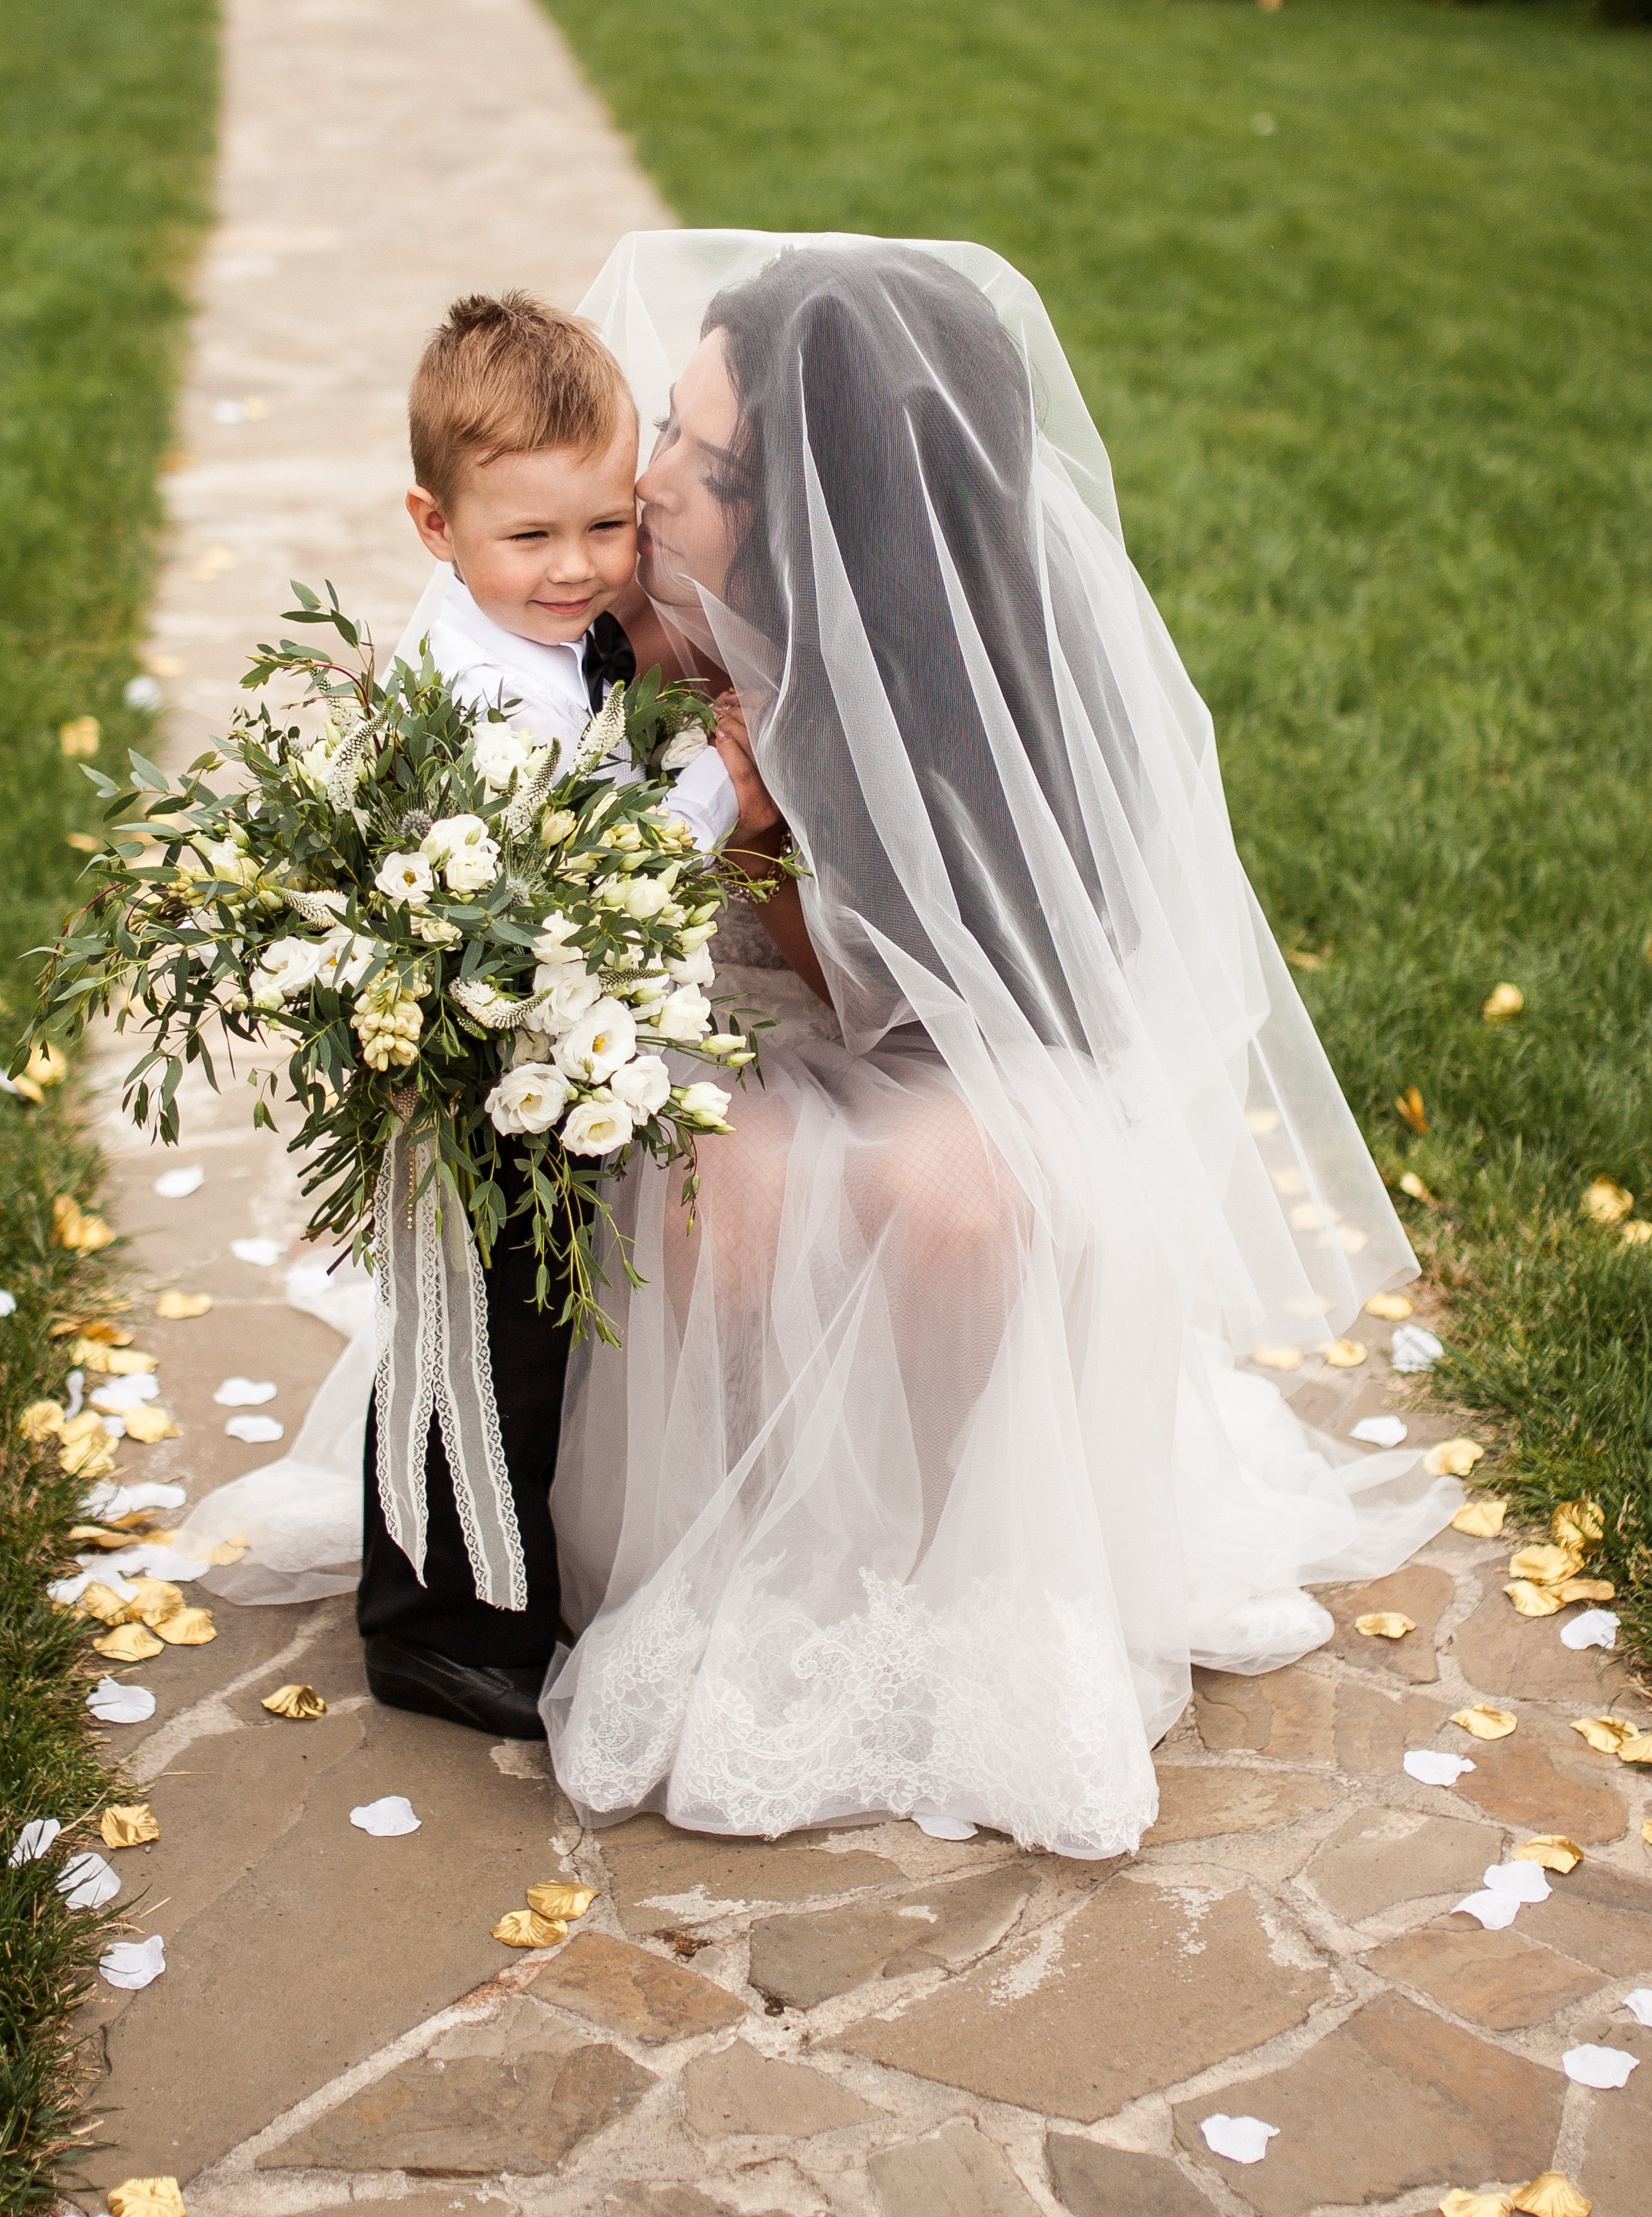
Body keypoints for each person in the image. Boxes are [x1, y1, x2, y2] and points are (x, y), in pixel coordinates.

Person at [539, 232, 1464, 1857]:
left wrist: (772, 831)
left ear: (827, 512)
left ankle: (960, 1595)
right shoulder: (611, 589)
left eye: (704, 452)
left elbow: (947, 1004)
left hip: (928, 1032)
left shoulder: (965, 665)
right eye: (667, 424)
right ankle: (740, 1569)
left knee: (961, 1191)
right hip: (696, 1014)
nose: (654, 472)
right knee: (727, 1190)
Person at [363, 291, 739, 1737]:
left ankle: (482, 1591)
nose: (579, 569)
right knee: (489, 1340)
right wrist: (718, 783)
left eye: (606, 525)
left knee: (501, 1334)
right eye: (531, 538)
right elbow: (601, 880)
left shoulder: (521, 631)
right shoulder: (487, 692)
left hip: (505, 1039)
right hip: (480, 1061)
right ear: (431, 523)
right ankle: (441, 1631)